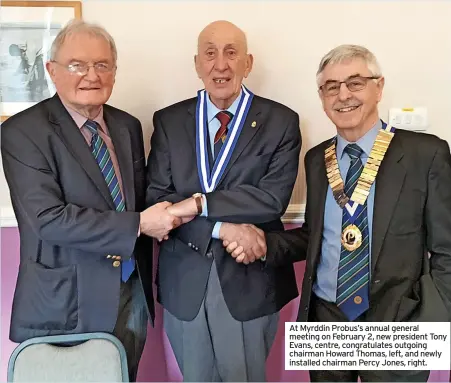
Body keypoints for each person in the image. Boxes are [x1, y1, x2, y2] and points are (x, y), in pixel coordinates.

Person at [228, 44, 451, 382]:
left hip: (398, 319)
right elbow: (317, 235)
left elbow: (447, 251)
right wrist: (265, 243)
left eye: (355, 82)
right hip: (326, 315)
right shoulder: (317, 159)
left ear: (379, 87)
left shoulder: (426, 153)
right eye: (331, 87)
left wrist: (432, 320)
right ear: (322, 97)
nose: (343, 95)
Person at [1, 20, 181, 382]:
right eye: (77, 65)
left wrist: (190, 207)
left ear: (114, 71)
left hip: (131, 293)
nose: (91, 75)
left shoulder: (127, 126)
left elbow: (138, 197)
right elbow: (48, 219)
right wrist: (142, 224)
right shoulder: (22, 132)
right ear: (52, 71)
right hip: (64, 301)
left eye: (102, 65)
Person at [145, 20, 302, 382]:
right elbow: (159, 199)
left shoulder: (281, 121)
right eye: (210, 53)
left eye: (231, 53)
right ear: (197, 63)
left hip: (249, 283)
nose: (221, 64)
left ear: (248, 63)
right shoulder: (169, 121)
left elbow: (270, 200)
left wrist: (198, 204)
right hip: (185, 280)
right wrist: (220, 226)